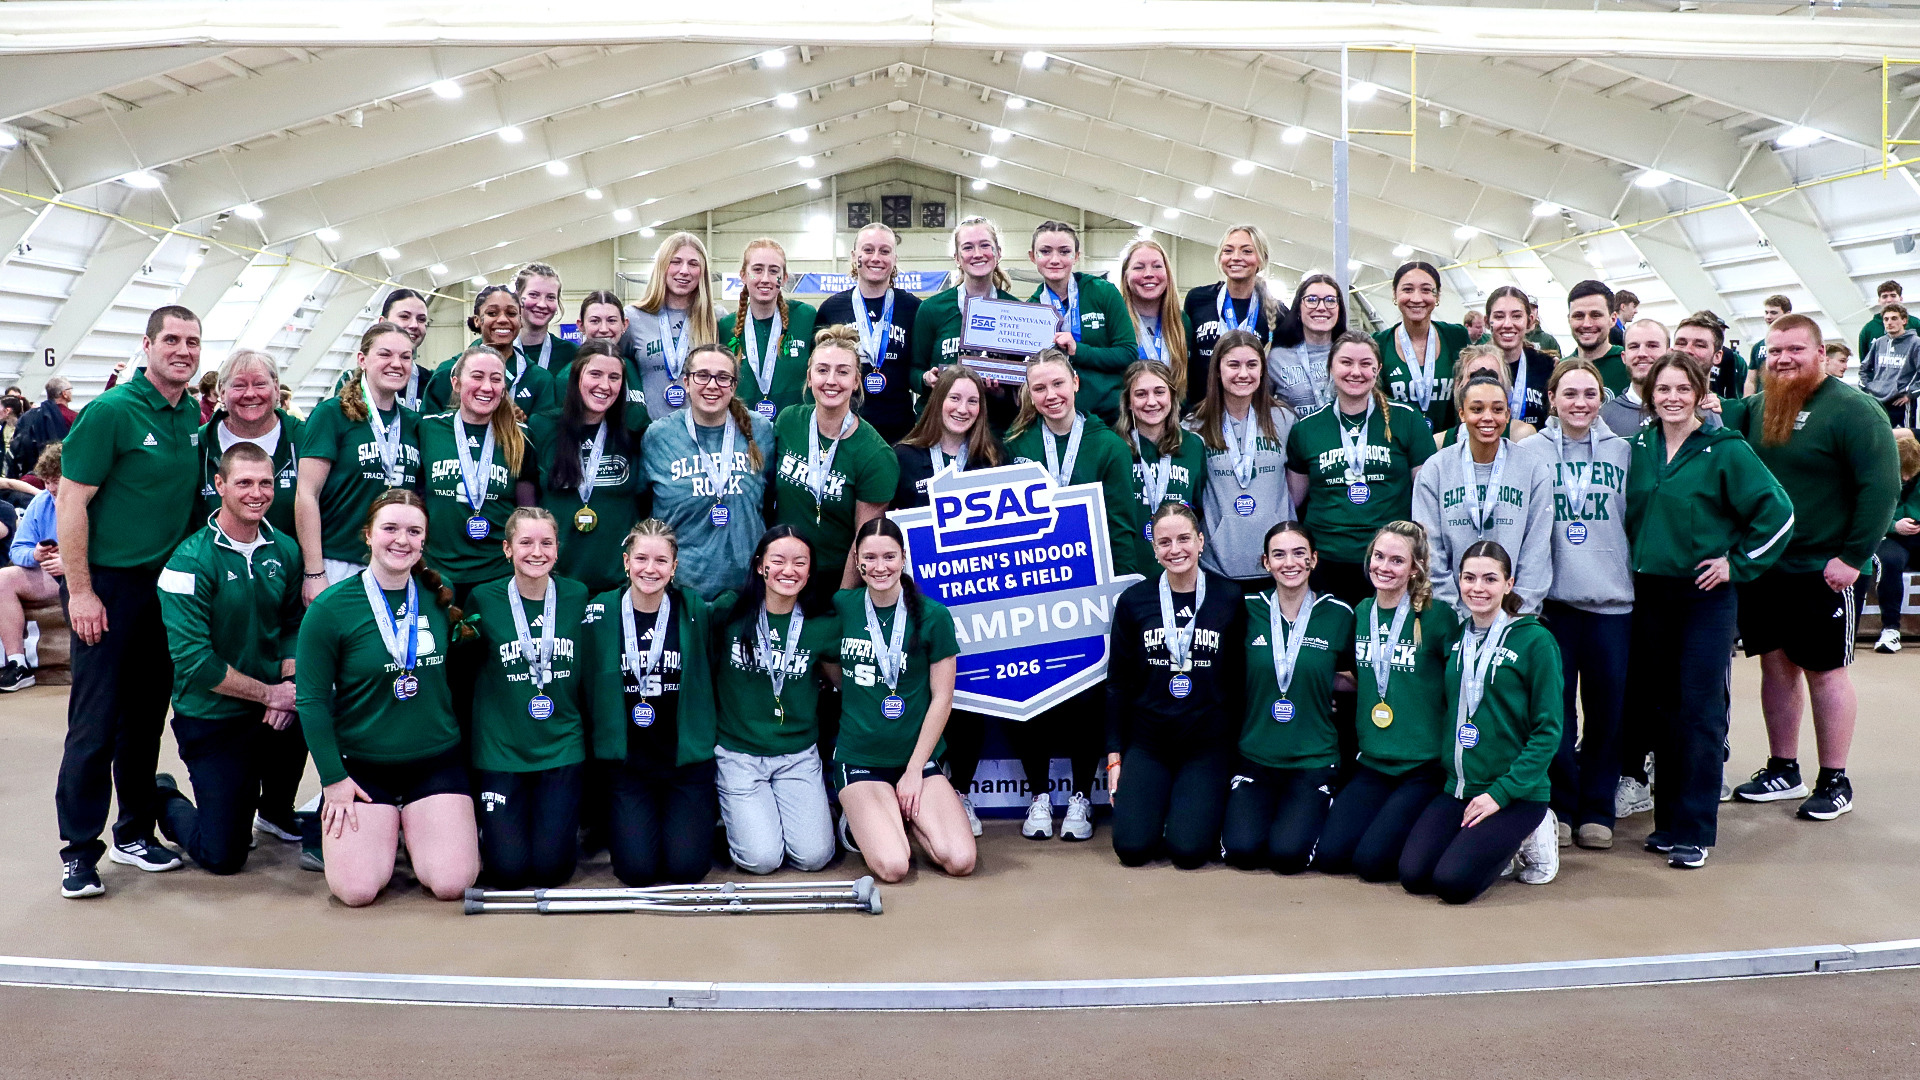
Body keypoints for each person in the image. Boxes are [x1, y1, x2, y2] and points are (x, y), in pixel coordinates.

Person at [1722, 315, 1900, 820]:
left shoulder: (1854, 410)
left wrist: (1853, 556)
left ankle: (1834, 779)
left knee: (1827, 672)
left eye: (1795, 350)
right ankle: (1784, 767)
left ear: (1821, 353)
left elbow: (1881, 488)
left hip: (1827, 569)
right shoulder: (1758, 408)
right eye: (1774, 351)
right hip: (1768, 568)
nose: (1782, 359)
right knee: (1776, 668)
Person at [54, 305, 204, 898]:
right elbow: (70, 502)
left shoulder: (193, 413)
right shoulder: (111, 412)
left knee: (143, 721)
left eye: (193, 342)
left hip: (162, 591)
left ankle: (136, 830)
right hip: (108, 588)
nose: (184, 351)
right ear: (148, 345)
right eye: (172, 339)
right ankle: (78, 850)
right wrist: (82, 590)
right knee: (95, 723)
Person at [1626, 352, 1795, 867]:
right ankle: (1667, 821)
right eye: (1663, 389)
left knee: (1700, 712)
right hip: (1650, 595)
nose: (1672, 397)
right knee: (1662, 711)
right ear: (1650, 395)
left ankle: (1695, 829)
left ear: (1701, 393)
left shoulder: (1726, 449)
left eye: (1683, 388)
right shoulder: (1640, 446)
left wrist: (1736, 565)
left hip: (1704, 597)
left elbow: (1779, 512)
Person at [294, 489, 480, 906]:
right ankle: (386, 830)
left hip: (435, 761)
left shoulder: (440, 595)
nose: (402, 540)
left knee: (452, 883)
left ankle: (412, 827)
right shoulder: (330, 609)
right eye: (390, 528)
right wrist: (333, 781)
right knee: (356, 891)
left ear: (424, 540)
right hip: (361, 770)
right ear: (368, 535)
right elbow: (310, 700)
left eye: (414, 531)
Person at [150, 444, 304, 874]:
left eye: (265, 483)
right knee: (224, 857)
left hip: (271, 709)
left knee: (316, 702)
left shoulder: (285, 550)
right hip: (212, 716)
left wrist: (288, 683)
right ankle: (162, 793)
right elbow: (195, 662)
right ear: (219, 486)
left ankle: (275, 808)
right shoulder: (188, 562)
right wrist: (271, 694)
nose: (257, 493)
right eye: (244, 483)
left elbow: (294, 621)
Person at [1004, 350, 1139, 840]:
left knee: (1084, 693)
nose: (1050, 396)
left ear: (1076, 382)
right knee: (1028, 690)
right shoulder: (1016, 442)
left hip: (1087, 593)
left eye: (1057, 384)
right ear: (1028, 393)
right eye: (1038, 388)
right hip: (1029, 591)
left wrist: (1119, 592)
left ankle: (1081, 794)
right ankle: (1040, 794)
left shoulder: (1108, 446)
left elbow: (1122, 525)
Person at [1398, 540, 1562, 902]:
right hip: (1459, 789)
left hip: (1514, 792)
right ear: (1458, 581)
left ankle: (1535, 830)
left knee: (1453, 885)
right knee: (1413, 876)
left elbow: (1548, 730)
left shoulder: (1536, 641)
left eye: (1490, 579)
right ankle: (1488, 843)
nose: (1478, 588)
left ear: (1509, 584)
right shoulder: (1457, 639)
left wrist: (1501, 793)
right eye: (1469, 578)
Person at [1518, 359, 1634, 850]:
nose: (1580, 403)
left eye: (1589, 393)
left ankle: (1598, 809)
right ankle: (1561, 806)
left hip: (1612, 604)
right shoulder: (1530, 453)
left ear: (1601, 397)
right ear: (1553, 398)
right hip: (1554, 607)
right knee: (1556, 713)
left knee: (1607, 714)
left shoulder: (1624, 451)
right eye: (1570, 394)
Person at [827, 517, 975, 883]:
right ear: (857, 562)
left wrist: (913, 772)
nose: (880, 567)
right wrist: (857, 688)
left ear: (904, 558)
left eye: (889, 556)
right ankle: (872, 815)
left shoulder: (933, 616)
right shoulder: (844, 605)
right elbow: (828, 661)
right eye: (870, 558)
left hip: (917, 764)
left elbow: (942, 698)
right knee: (894, 867)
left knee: (960, 861)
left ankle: (900, 812)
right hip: (860, 761)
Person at [1105, 503, 1244, 869]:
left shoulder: (1229, 598)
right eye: (1164, 542)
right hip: (1150, 742)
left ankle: (1187, 810)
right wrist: (1114, 755)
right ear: (1153, 547)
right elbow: (1118, 683)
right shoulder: (1134, 601)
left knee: (1188, 852)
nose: (1175, 549)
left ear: (1200, 541)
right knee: (1132, 850)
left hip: (1206, 744)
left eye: (1184, 538)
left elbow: (1240, 679)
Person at [581, 519, 719, 886]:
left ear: (674, 568)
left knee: (687, 870)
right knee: (636, 872)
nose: (650, 569)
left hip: (684, 765)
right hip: (629, 766)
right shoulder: (600, 611)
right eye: (641, 558)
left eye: (661, 561)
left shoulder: (694, 612)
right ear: (626, 562)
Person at [1315, 521, 1454, 880]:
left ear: (1415, 568)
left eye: (1396, 560)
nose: (1384, 567)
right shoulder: (1361, 612)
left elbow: (1460, 686)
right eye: (1379, 556)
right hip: (1373, 764)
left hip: (1422, 767)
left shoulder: (1438, 618)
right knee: (1330, 856)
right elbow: (1364, 678)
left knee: (1371, 864)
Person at [1221, 522, 1355, 874]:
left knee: (1287, 857)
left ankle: (1316, 807)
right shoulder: (1245, 609)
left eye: (1299, 553)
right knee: (1242, 852)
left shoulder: (1340, 613)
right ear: (1265, 562)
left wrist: (1318, 687)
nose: (1289, 562)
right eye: (1278, 554)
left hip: (1312, 759)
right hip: (1256, 757)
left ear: (1313, 559)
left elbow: (1358, 678)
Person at [466, 508, 590, 888]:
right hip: (502, 750)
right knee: (508, 872)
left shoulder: (577, 595)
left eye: (546, 543)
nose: (536, 552)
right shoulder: (482, 599)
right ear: (506, 549)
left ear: (557, 549)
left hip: (561, 748)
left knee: (552, 871)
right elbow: (465, 671)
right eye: (525, 543)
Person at [712, 527, 839, 874]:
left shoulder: (821, 623)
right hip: (739, 755)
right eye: (778, 561)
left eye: (800, 562)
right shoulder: (728, 612)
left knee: (814, 858)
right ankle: (733, 817)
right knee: (762, 860)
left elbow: (842, 680)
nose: (789, 570)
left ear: (810, 571)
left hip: (797, 756)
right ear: (759, 566)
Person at [1286, 332, 1437, 605]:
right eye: (1346, 363)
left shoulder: (1407, 419)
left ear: (1378, 369)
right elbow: (1293, 501)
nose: (1356, 372)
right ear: (1331, 367)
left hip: (1390, 562)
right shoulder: (1306, 429)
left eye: (1366, 364)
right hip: (1327, 560)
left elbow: (1426, 497)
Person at [770, 325, 899, 606]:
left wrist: (842, 599)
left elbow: (864, 539)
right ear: (809, 376)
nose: (831, 380)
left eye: (842, 372)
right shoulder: (789, 421)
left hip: (833, 580)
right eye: (822, 370)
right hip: (782, 572)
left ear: (856, 381)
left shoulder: (875, 454)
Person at [296, 322, 425, 599]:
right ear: (362, 360)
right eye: (385, 354)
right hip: (339, 562)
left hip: (395, 563)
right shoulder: (331, 415)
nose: (397, 364)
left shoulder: (413, 423)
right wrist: (314, 571)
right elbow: (307, 494)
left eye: (406, 357)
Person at [1414, 371, 1555, 618]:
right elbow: (1430, 551)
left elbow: (1537, 551)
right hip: (1451, 617)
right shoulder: (1435, 470)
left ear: (1508, 415)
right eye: (1477, 409)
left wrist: (1515, 612)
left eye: (1497, 409)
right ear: (1462, 414)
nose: (1487, 417)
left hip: (1515, 617)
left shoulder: (1533, 469)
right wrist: (1455, 612)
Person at [642, 342, 775, 601]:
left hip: (746, 590)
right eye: (702, 375)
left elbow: (769, 501)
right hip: (680, 590)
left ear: (734, 385)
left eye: (723, 377)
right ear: (687, 382)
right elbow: (642, 504)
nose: (712, 385)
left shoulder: (761, 432)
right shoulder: (659, 436)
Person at [417, 346, 537, 600]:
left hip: (498, 576)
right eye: (477, 376)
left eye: (496, 379)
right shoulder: (428, 429)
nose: (487, 386)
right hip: (436, 573)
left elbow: (527, 514)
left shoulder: (521, 437)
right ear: (456, 383)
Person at [528, 340, 645, 595]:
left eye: (614, 377)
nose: (605, 385)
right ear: (576, 376)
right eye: (595, 374)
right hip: (556, 581)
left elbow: (646, 498)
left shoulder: (634, 428)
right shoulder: (543, 427)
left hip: (618, 585)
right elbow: (527, 494)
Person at [1186, 330, 1295, 589]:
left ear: (1262, 370)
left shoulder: (1284, 420)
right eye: (1233, 365)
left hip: (1277, 563)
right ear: (1217, 370)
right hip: (1217, 566)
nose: (1243, 374)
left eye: (1252, 365)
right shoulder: (1193, 426)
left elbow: (1296, 487)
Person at [908, 215, 1022, 430]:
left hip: (995, 429)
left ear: (998, 253)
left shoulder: (1016, 310)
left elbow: (1023, 379)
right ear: (957, 258)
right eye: (968, 247)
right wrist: (926, 379)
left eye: (985, 246)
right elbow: (913, 370)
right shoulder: (932, 309)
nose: (977, 254)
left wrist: (1002, 392)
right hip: (939, 429)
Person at [815, 223, 922, 443]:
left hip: (900, 430)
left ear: (894, 259)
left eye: (885, 251)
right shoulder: (831, 309)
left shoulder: (913, 308)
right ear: (855, 256)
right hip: (844, 428)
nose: (876, 257)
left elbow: (918, 368)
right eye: (868, 250)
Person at [1026, 220, 1138, 424]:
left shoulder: (1103, 292)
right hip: (1055, 419)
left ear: (1076, 256)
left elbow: (1128, 353)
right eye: (1045, 251)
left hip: (1109, 418)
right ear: (1033, 257)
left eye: (1064, 251)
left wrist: (1079, 350)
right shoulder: (1030, 309)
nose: (1055, 259)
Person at [198, 351, 301, 537]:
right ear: (221, 391)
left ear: (276, 388)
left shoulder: (303, 439)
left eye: (260, 384)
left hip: (290, 564)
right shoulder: (199, 445)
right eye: (238, 385)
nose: (250, 393)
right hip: (212, 565)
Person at [1115, 359, 1206, 570]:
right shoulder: (1114, 446)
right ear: (1128, 401)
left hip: (1179, 566)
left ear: (1172, 396)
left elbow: (1199, 508)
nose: (1151, 401)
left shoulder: (1193, 446)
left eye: (1159, 392)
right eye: (1140, 394)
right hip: (1129, 568)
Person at [1183, 225, 1286, 407]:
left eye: (1246, 251)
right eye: (1228, 251)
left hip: (1252, 414)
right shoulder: (1197, 299)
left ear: (1261, 260)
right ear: (1220, 258)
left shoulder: (1278, 312)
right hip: (1202, 412)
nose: (1236, 257)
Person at [622, 232, 719, 425]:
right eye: (675, 262)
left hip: (702, 435)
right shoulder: (633, 317)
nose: (684, 271)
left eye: (693, 264)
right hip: (648, 435)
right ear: (662, 267)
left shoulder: (716, 318)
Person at [719, 238, 816, 423]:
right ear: (743, 275)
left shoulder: (805, 317)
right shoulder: (726, 327)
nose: (765, 279)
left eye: (773, 271)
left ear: (785, 277)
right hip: (743, 434)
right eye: (757, 270)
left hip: (795, 433)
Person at [423, 286, 559, 417]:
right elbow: (428, 429)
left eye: (511, 314)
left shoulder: (540, 379)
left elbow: (545, 433)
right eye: (492, 313)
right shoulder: (448, 372)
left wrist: (520, 427)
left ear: (521, 321)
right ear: (477, 321)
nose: (503, 320)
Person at [1375, 261, 1471, 432]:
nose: (1417, 298)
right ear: (1394, 295)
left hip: (1449, 446)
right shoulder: (1379, 343)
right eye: (1407, 289)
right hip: (1399, 449)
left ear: (1437, 296)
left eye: (1426, 290)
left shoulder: (1456, 337)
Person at [893, 365, 1005, 509]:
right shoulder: (902, 457)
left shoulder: (993, 458)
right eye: (954, 398)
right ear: (938, 401)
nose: (962, 409)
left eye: (972, 401)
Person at [0, 442, 62, 693]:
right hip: (50, 575)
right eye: (46, 481)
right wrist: (35, 554)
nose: (50, 488)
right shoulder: (41, 503)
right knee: (3, 578)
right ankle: (18, 665)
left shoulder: (101, 500)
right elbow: (18, 550)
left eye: (56, 480)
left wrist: (73, 563)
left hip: (92, 572)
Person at [1115, 237, 1192, 400]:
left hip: (1173, 419)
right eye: (1139, 267)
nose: (1149, 274)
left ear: (1167, 273)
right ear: (1125, 275)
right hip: (1124, 421)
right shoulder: (1114, 321)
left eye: (1157, 266)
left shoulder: (1182, 322)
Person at [329, 289, 432, 407]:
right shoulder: (350, 380)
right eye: (404, 316)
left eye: (421, 319)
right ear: (382, 322)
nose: (414, 325)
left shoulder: (431, 382)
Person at [1869, 432, 1920, 653]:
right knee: (1888, 561)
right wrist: (1894, 525)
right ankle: (1891, 630)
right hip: (1890, 536)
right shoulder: (1875, 473)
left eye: (1912, 473)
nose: (1907, 479)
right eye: (1902, 474)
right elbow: (1868, 512)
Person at [1268, 274, 1346, 413]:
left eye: (1330, 300)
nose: (1321, 307)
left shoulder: (1351, 354)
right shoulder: (1277, 358)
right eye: (1311, 300)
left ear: (1339, 308)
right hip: (1294, 434)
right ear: (1298, 308)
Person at [1432, 345, 1539, 445]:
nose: (1484, 384)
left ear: (1505, 384)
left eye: (1492, 377)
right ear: (1458, 384)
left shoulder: (1522, 436)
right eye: (1474, 377)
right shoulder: (1439, 443)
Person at [1484, 287, 1555, 428]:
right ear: (1487, 322)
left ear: (1530, 321)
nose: (1508, 324)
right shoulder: (1475, 366)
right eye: (1499, 316)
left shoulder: (1546, 366)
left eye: (1516, 316)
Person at [510, 262, 578, 376]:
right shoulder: (495, 350)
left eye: (550, 297)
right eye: (534, 295)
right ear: (517, 297)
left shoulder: (571, 354)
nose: (542, 304)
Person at [1860, 302, 1920, 428]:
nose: (1889, 322)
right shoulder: (1879, 342)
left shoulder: (1915, 343)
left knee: (1905, 441)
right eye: (1886, 319)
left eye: (1894, 318)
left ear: (1904, 320)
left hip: (1900, 402)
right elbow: (1864, 368)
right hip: (1877, 401)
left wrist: (1910, 394)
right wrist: (1868, 388)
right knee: (1878, 437)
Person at [1566, 280, 1630, 397]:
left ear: (1613, 319)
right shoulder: (1560, 369)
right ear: (1569, 320)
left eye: (1596, 315)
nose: (1587, 324)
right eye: (1578, 316)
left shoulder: (1628, 365)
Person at [9, 376, 74, 482]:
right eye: (70, 390)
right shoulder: (72, 417)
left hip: (29, 474)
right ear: (64, 394)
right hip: (60, 474)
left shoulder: (28, 416)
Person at [1858, 280, 1918, 362]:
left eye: (1893, 295)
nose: (1889, 300)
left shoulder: (1915, 324)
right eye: (1884, 296)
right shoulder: (1869, 328)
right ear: (1879, 300)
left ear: (1900, 299)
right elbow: (1864, 361)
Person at [1748, 294, 1790, 382]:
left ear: (1787, 314)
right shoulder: (1758, 346)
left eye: (1773, 313)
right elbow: (1751, 381)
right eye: (1766, 313)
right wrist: (1748, 396)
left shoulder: (1797, 344)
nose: (1768, 317)